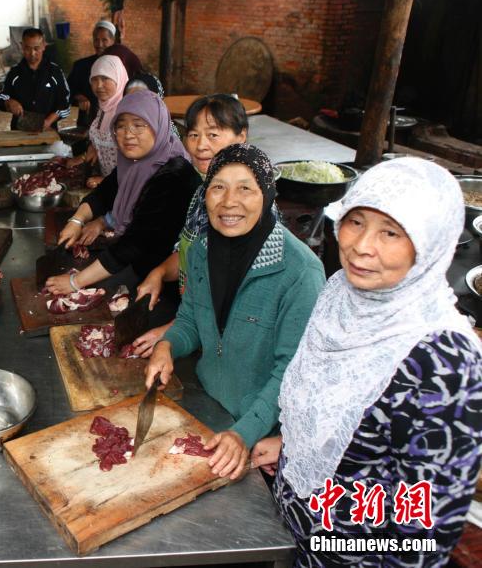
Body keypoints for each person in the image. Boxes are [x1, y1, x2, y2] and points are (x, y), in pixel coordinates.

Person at [251, 158, 482, 567]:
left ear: (428, 243)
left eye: (390, 232)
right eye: (355, 222)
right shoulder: (341, 294)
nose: (361, 246)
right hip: (290, 534)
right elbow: (341, 413)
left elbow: (423, 541)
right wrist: (295, 446)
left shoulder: (445, 364)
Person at [145, 144, 325, 481]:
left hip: (263, 433)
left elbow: (293, 372)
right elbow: (190, 319)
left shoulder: (300, 272)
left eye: (245, 188)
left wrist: (245, 432)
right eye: (218, 187)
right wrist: (167, 345)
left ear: (267, 196)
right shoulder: (201, 250)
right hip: (208, 407)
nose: (229, 202)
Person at [46, 91, 199, 297]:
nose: (128, 134)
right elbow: (105, 192)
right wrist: (76, 220)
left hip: (173, 287)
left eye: (138, 125)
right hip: (145, 272)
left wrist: (76, 281)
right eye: (121, 125)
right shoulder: (136, 163)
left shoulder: (174, 175)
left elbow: (136, 243)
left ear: (158, 126)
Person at [132, 95, 250, 351]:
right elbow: (190, 250)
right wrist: (159, 272)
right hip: (192, 312)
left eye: (213, 135)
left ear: (241, 136)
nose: (200, 146)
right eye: (194, 135)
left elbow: (234, 291)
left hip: (226, 338)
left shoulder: (247, 204)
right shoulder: (203, 191)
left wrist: (174, 330)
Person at [0, 28, 70, 131]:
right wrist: (8, 102)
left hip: (48, 131)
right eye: (27, 48)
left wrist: (48, 121)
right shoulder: (14, 73)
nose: (32, 53)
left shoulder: (55, 72)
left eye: (36, 48)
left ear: (44, 46)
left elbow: (66, 103)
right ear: (22, 46)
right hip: (19, 132)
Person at [80, 54, 129, 178]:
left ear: (118, 78)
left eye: (105, 78)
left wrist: (105, 181)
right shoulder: (103, 109)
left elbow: (138, 163)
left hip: (126, 185)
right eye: (94, 80)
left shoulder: (128, 113)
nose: (99, 85)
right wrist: (93, 147)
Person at [66, 20, 117, 129]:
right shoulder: (81, 66)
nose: (100, 44)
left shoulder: (120, 68)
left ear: (112, 41)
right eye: (96, 40)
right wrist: (78, 97)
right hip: (86, 124)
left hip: (113, 124)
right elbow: (66, 91)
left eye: (104, 40)